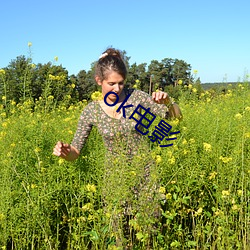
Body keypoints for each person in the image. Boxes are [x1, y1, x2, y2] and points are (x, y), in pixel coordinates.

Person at [53, 48, 182, 246]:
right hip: (115, 182)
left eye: (121, 83)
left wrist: (169, 101)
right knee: (119, 239)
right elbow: (76, 151)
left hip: (146, 177)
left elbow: (175, 118)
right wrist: (65, 152)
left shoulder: (137, 98)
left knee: (149, 236)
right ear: (99, 81)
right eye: (111, 83)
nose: (116, 89)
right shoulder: (91, 111)